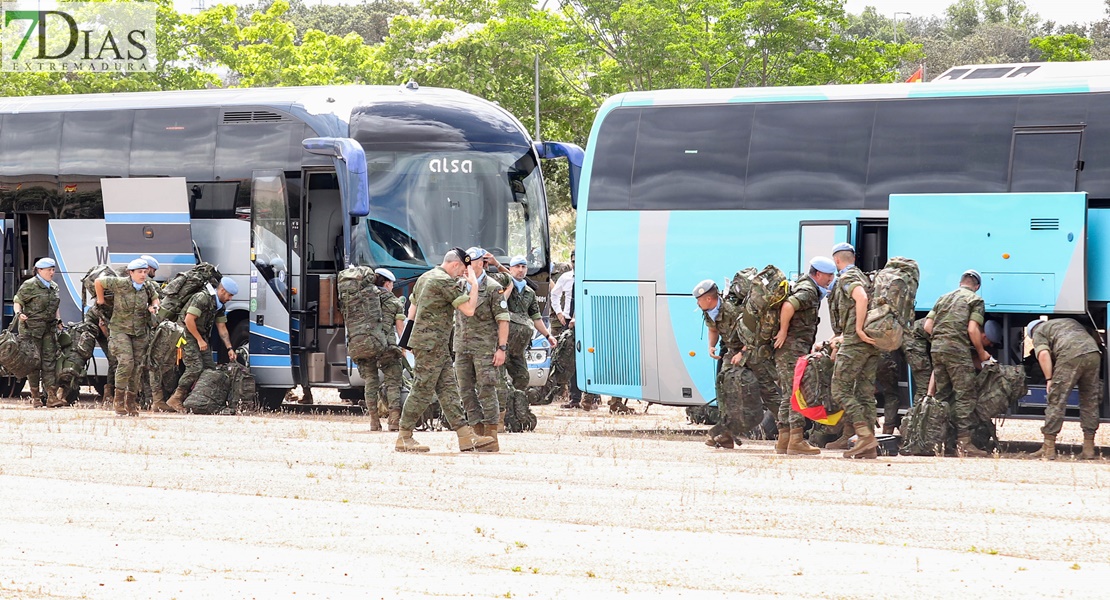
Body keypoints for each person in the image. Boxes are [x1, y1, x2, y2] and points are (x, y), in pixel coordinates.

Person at [396, 249, 496, 453]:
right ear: (456, 264)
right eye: (463, 269)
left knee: (448, 390)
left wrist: (408, 340)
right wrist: (474, 284)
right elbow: (469, 310)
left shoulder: (426, 277)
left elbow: (411, 310)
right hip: (431, 344)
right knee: (422, 389)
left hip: (433, 344)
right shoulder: (443, 281)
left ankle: (464, 436)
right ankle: (404, 436)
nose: (462, 274)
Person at [923, 269, 992, 458]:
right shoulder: (975, 300)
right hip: (957, 352)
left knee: (943, 396)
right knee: (964, 396)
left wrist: (941, 341)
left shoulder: (943, 297)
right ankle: (964, 443)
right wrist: (981, 352)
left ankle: (943, 442)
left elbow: (927, 326)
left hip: (937, 350)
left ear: (961, 282)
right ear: (976, 286)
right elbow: (972, 329)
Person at [772, 256, 836, 455]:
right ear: (817, 273)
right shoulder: (808, 290)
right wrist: (783, 331)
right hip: (793, 348)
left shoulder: (804, 284)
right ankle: (797, 440)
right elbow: (789, 305)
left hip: (788, 349)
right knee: (796, 394)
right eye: (828, 275)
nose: (830, 279)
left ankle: (784, 439)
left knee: (788, 394)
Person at [828, 242, 882, 459]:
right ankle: (867, 444)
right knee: (865, 392)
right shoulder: (864, 276)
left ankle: (864, 435)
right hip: (872, 343)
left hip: (856, 342)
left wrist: (858, 329)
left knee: (839, 389)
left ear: (837, 261)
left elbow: (861, 298)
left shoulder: (848, 278)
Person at [695, 279, 762, 449]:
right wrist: (711, 346)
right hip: (732, 353)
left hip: (751, 351)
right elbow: (713, 329)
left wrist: (742, 353)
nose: (697, 302)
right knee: (726, 394)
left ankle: (790, 433)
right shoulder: (708, 311)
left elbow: (753, 333)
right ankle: (725, 436)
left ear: (709, 299)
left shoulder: (732, 311)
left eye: (699, 299)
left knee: (766, 393)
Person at [454, 248, 510, 449]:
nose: (468, 265)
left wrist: (501, 348)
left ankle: (492, 437)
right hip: (461, 347)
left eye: (472, 261)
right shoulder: (460, 286)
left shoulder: (494, 288)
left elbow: (503, 320)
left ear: (481, 263)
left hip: (485, 349)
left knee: (486, 390)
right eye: (466, 262)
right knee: (465, 390)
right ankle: (477, 434)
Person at [492, 255, 557, 430]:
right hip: (502, 344)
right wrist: (509, 286)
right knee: (499, 381)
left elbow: (535, 316)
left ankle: (513, 409)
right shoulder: (501, 286)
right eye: (517, 267)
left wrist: (547, 335)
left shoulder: (529, 292)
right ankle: (498, 418)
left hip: (518, 347)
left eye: (523, 267)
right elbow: (498, 305)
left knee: (522, 377)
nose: (520, 270)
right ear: (511, 269)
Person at [1027, 318, 1102, 460]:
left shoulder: (1039, 332)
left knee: (1057, 399)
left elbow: (1043, 354)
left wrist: (1049, 379)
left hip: (1070, 354)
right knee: (1089, 400)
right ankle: (1088, 448)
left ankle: (1048, 449)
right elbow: (1095, 337)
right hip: (1093, 353)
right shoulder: (1067, 321)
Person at [94, 259, 160, 416]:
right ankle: (118, 400)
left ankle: (131, 402)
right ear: (131, 273)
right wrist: (100, 299)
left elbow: (155, 298)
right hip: (119, 330)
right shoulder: (120, 283)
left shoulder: (148, 286)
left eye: (145, 272)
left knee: (136, 366)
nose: (143, 275)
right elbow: (98, 281)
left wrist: (155, 307)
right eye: (139, 272)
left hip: (139, 332)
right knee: (126, 362)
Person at [164, 277, 238, 413]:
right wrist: (199, 339)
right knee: (195, 367)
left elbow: (222, 328)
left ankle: (197, 400)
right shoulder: (202, 298)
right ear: (222, 290)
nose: (230, 298)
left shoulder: (219, 306)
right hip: (185, 333)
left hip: (199, 335)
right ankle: (176, 398)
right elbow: (188, 320)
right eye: (229, 295)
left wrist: (230, 348)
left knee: (209, 368)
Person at [355, 267, 406, 431]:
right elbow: (400, 329)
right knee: (393, 383)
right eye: (392, 284)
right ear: (388, 283)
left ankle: (374, 421)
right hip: (387, 347)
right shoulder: (394, 302)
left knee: (370, 382)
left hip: (366, 345)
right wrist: (405, 348)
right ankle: (394, 421)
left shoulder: (363, 299)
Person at [13, 258, 65, 408]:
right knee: (34, 362)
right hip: (31, 329)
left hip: (49, 329)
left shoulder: (54, 287)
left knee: (49, 362)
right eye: (49, 270)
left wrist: (59, 320)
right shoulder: (29, 285)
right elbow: (18, 300)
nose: (51, 272)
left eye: (53, 269)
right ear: (39, 270)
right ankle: (35, 396)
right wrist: (19, 314)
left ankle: (51, 396)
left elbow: (55, 306)